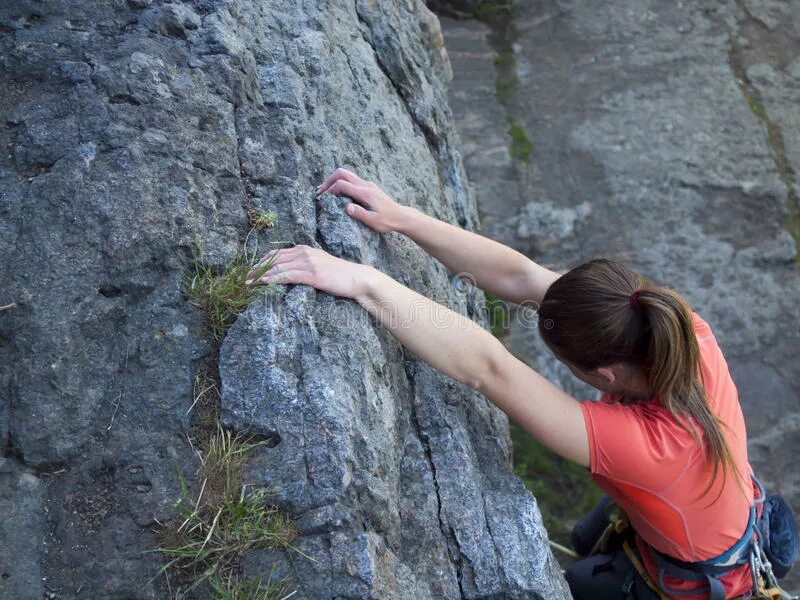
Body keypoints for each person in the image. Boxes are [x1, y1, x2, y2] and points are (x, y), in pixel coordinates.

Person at [245, 168, 764, 599]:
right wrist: (403, 219)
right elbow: (522, 278)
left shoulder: (643, 445)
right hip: (706, 513)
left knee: (583, 579)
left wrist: (363, 281)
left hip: (696, 577)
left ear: (603, 377)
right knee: (589, 540)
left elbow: (488, 369)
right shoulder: (674, 328)